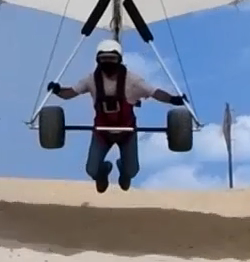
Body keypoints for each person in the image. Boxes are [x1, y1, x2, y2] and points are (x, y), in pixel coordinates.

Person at [47, 39, 190, 193]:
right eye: (104, 59)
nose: (108, 63)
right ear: (98, 60)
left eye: (112, 59)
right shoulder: (91, 80)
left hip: (126, 133)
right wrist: (58, 90)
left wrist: (173, 99)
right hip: (102, 133)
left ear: (119, 60)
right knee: (92, 170)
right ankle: (104, 171)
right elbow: (71, 93)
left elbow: (154, 92)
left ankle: (124, 168)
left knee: (132, 172)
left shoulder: (132, 80)